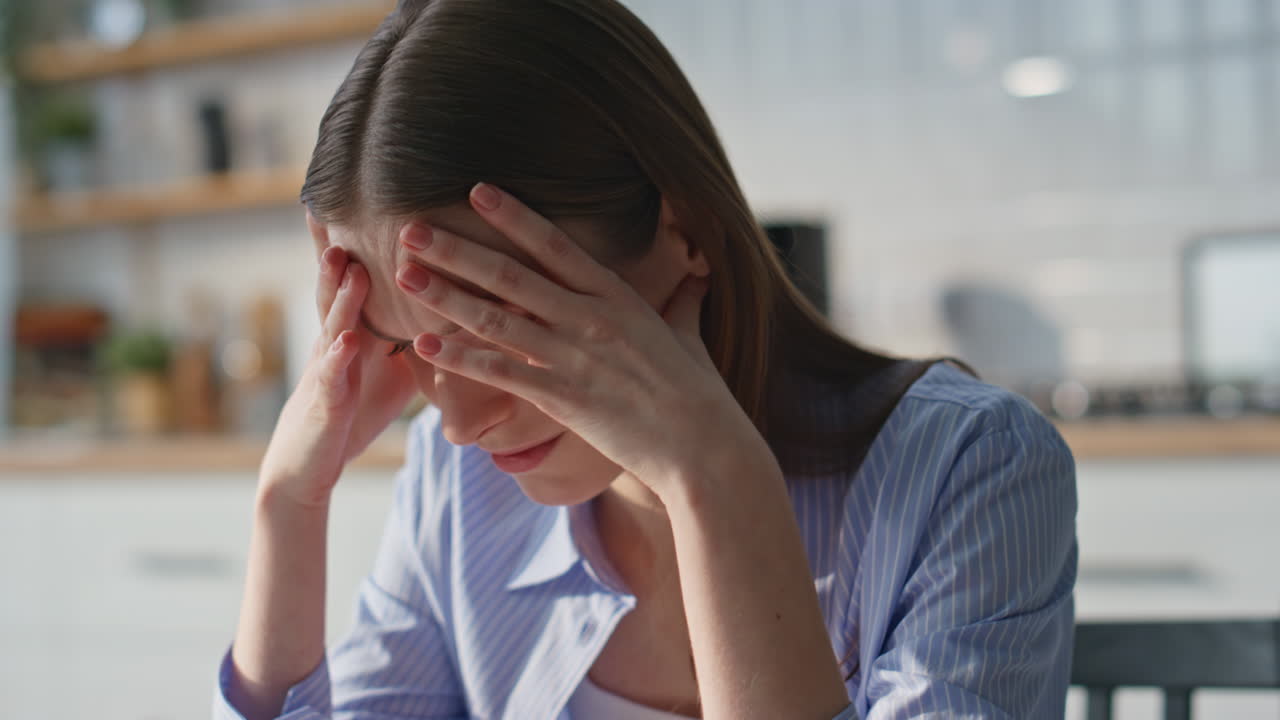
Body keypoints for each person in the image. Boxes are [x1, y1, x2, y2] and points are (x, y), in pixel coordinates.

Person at [212, 1, 1078, 718]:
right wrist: (288, 505)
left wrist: (713, 475)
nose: (463, 422)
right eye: (411, 345)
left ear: (684, 233)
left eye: (496, 333)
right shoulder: (453, 485)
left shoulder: (970, 470)